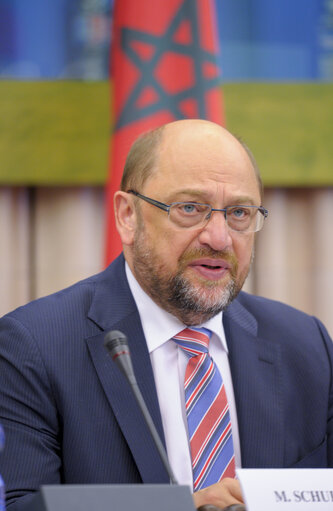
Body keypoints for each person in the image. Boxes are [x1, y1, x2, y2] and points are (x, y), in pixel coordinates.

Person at [0, 120, 332, 511]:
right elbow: (20, 506)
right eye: (190, 208)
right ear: (127, 215)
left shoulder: (306, 345)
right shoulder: (34, 344)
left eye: (240, 212)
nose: (220, 238)